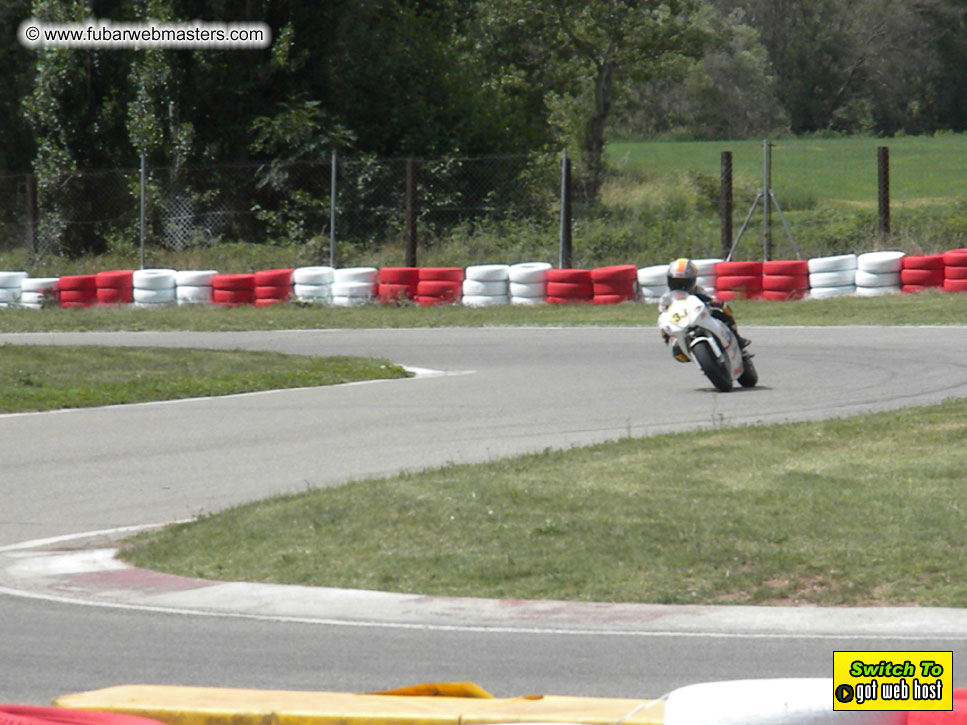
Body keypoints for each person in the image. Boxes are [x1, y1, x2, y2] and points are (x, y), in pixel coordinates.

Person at [658, 258, 750, 360]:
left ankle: (737, 338)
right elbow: (663, 316)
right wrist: (665, 332)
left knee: (724, 308)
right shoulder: (666, 298)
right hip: (681, 323)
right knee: (679, 355)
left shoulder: (698, 290)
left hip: (701, 316)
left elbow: (710, 298)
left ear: (692, 281)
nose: (680, 286)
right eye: (675, 282)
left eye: (684, 282)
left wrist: (715, 303)